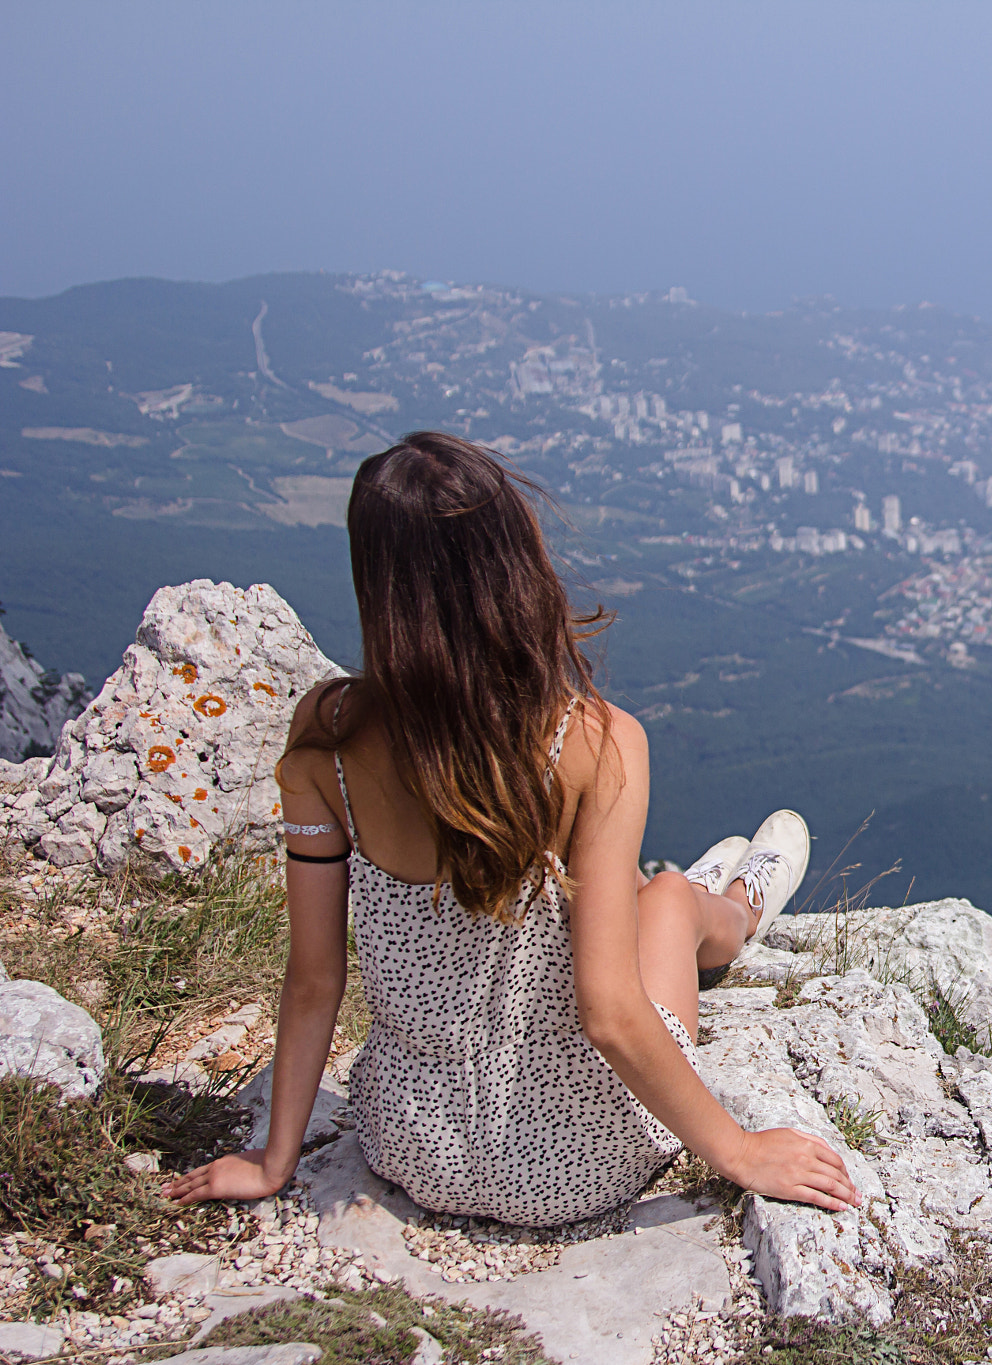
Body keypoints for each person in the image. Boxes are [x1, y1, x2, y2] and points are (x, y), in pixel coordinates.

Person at [164, 432, 858, 1223]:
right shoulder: (592, 741)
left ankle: (677, 893)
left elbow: (314, 976)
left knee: (621, 892)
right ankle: (734, 908)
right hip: (579, 1163)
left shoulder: (328, 736)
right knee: (662, 898)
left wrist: (273, 1158)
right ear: (511, 564)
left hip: (413, 1146)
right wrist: (737, 1150)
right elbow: (608, 1012)